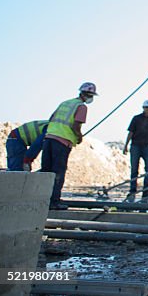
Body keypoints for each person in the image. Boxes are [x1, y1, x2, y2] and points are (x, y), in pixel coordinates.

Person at [42, 82, 98, 210]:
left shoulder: (66, 103)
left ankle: (44, 200)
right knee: (58, 172)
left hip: (49, 137)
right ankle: (54, 202)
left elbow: (51, 118)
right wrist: (79, 137)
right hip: (62, 141)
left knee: (46, 172)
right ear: (89, 95)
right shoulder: (81, 107)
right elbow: (75, 126)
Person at [123, 100, 148, 201]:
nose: (147, 109)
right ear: (143, 108)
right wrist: (126, 145)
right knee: (134, 169)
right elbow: (130, 132)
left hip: (147, 147)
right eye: (145, 107)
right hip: (136, 146)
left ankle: (146, 190)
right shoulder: (136, 118)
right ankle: (132, 190)